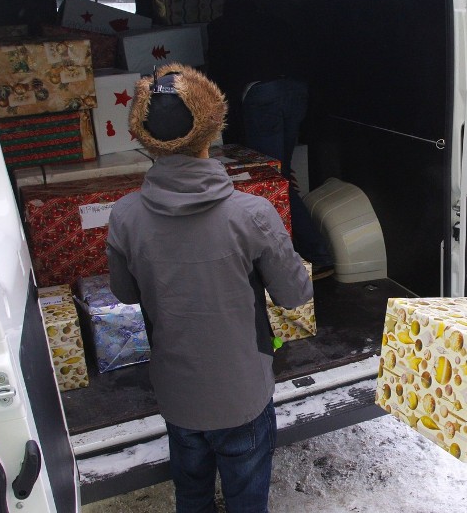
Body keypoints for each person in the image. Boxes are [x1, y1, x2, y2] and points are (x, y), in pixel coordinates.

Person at [106, 63, 313, 513]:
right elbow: (295, 295)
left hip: (176, 393)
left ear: (145, 137)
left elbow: (124, 294)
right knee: (246, 498)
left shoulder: (124, 216)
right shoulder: (253, 214)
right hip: (242, 394)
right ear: (213, 129)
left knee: (192, 494)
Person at [208, 0, 334, 280]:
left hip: (262, 95)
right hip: (296, 92)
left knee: (272, 179)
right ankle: (307, 251)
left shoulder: (221, 28)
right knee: (281, 174)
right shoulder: (277, 23)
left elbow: (219, 72)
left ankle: (313, 254)